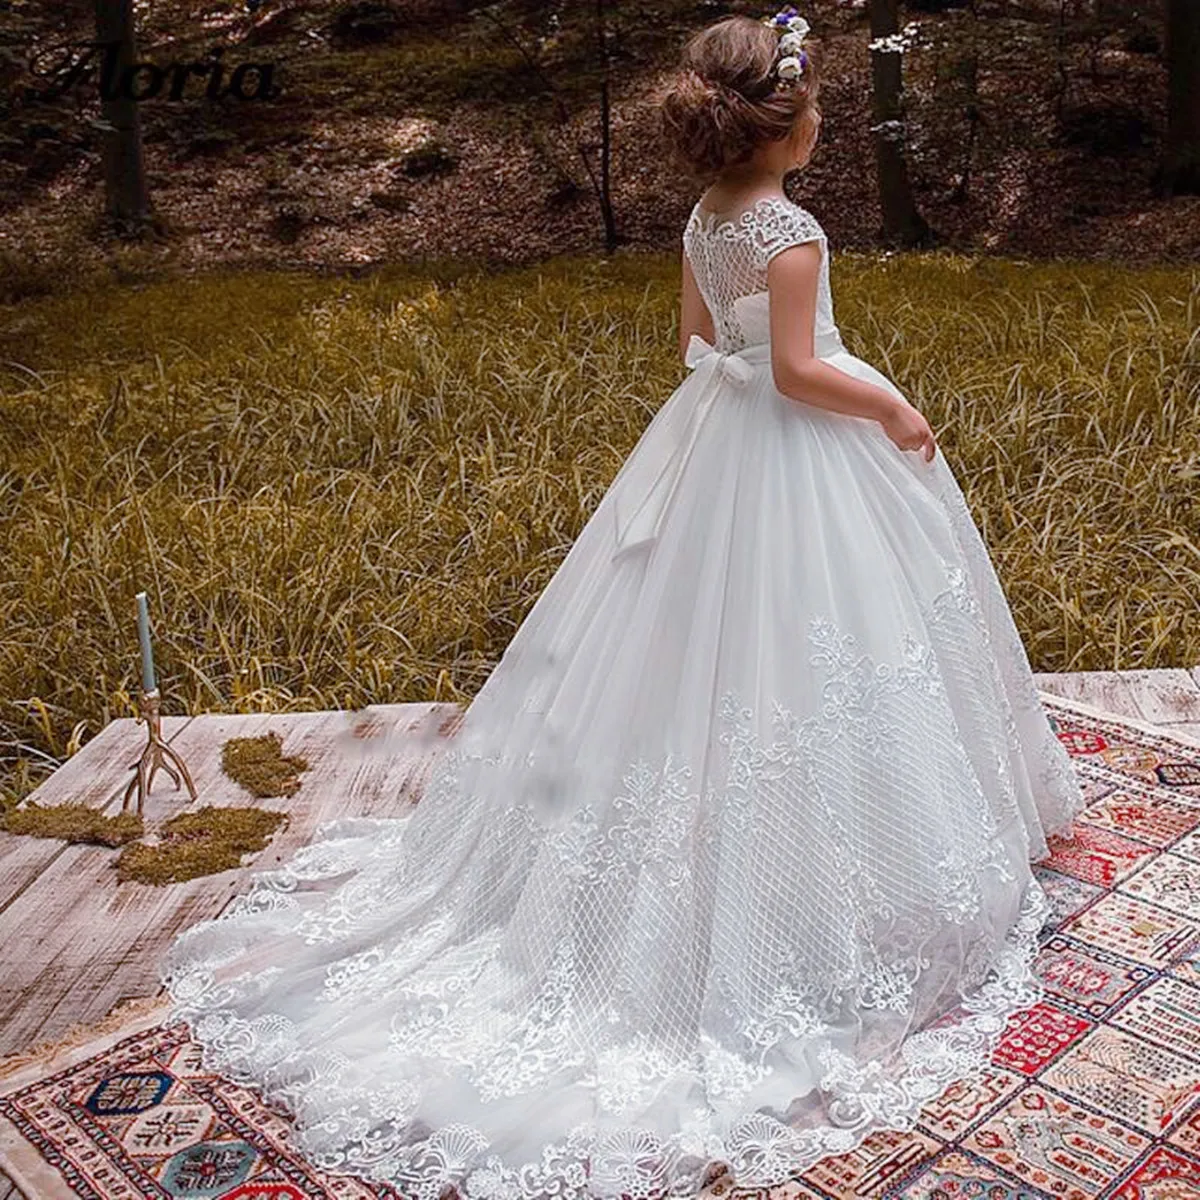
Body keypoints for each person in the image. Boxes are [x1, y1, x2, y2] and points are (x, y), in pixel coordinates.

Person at [160, 8, 1086, 1199]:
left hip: (713, 439)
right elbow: (801, 371)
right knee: (812, 648)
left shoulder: (706, 217)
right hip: (797, 444)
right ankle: (796, 888)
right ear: (788, 127)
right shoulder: (791, 232)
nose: (822, 124)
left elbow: (697, 342)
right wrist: (894, 412)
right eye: (816, 111)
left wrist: (759, 380)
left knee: (684, 647)